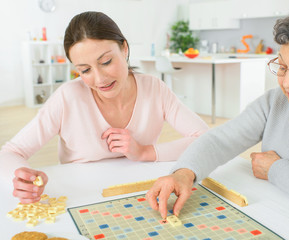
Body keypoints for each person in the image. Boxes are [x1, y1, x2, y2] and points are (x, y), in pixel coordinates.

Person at [146, 5, 289, 220]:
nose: (286, 83)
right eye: (283, 67)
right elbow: (221, 140)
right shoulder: (275, 101)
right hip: (275, 212)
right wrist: (183, 173)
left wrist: (274, 168)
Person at [0, 11, 209, 203]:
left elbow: (205, 139)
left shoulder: (154, 88)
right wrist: (22, 177)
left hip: (143, 194)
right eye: (85, 70)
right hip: (81, 199)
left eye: (106, 61)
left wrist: (145, 152)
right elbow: (11, 152)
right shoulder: (67, 98)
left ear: (124, 48)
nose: (100, 79)